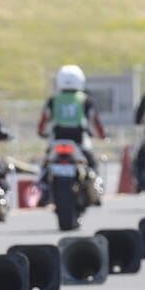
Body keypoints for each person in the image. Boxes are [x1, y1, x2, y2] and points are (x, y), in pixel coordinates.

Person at [37, 64, 106, 202]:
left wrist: (41, 133)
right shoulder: (85, 100)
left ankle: (43, 191)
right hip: (79, 141)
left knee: (45, 166)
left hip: (56, 140)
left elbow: (43, 122)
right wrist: (102, 135)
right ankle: (95, 192)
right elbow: (95, 122)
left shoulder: (53, 100)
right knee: (92, 164)